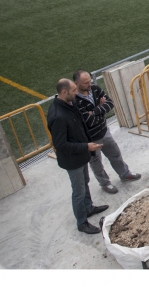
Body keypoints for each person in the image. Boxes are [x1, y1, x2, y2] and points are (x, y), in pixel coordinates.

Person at [47, 79, 108, 234]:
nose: (77, 93)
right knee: (78, 191)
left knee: (85, 182)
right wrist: (86, 146)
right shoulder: (58, 116)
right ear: (63, 92)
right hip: (72, 160)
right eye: (74, 90)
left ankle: (88, 208)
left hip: (81, 155)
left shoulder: (69, 105)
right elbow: (61, 145)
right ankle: (82, 222)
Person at [73, 70, 141, 194]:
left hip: (104, 131)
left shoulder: (95, 89)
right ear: (76, 83)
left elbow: (110, 104)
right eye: (85, 82)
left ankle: (125, 174)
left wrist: (94, 111)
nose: (89, 84)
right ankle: (105, 184)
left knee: (115, 154)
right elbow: (88, 121)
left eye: (90, 81)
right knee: (96, 163)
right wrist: (100, 110)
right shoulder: (75, 101)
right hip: (91, 139)